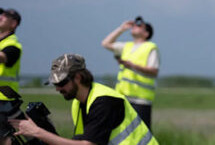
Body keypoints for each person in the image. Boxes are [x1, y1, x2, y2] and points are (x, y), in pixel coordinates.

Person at [11, 53, 157, 145]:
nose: (57, 89)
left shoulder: (105, 102)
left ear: (78, 77)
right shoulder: (78, 102)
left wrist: (37, 132)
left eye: (61, 83)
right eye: (54, 84)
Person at [100, 16, 159, 129]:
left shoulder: (150, 47)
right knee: (122, 133)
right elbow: (105, 43)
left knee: (143, 135)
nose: (135, 26)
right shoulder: (126, 46)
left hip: (141, 100)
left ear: (146, 33)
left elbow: (154, 71)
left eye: (140, 26)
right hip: (123, 98)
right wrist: (122, 28)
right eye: (135, 25)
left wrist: (132, 66)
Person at [0, 8, 22, 101]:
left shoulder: (14, 45)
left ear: (13, 24)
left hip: (4, 100)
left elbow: (2, 57)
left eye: (5, 16)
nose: (1, 17)